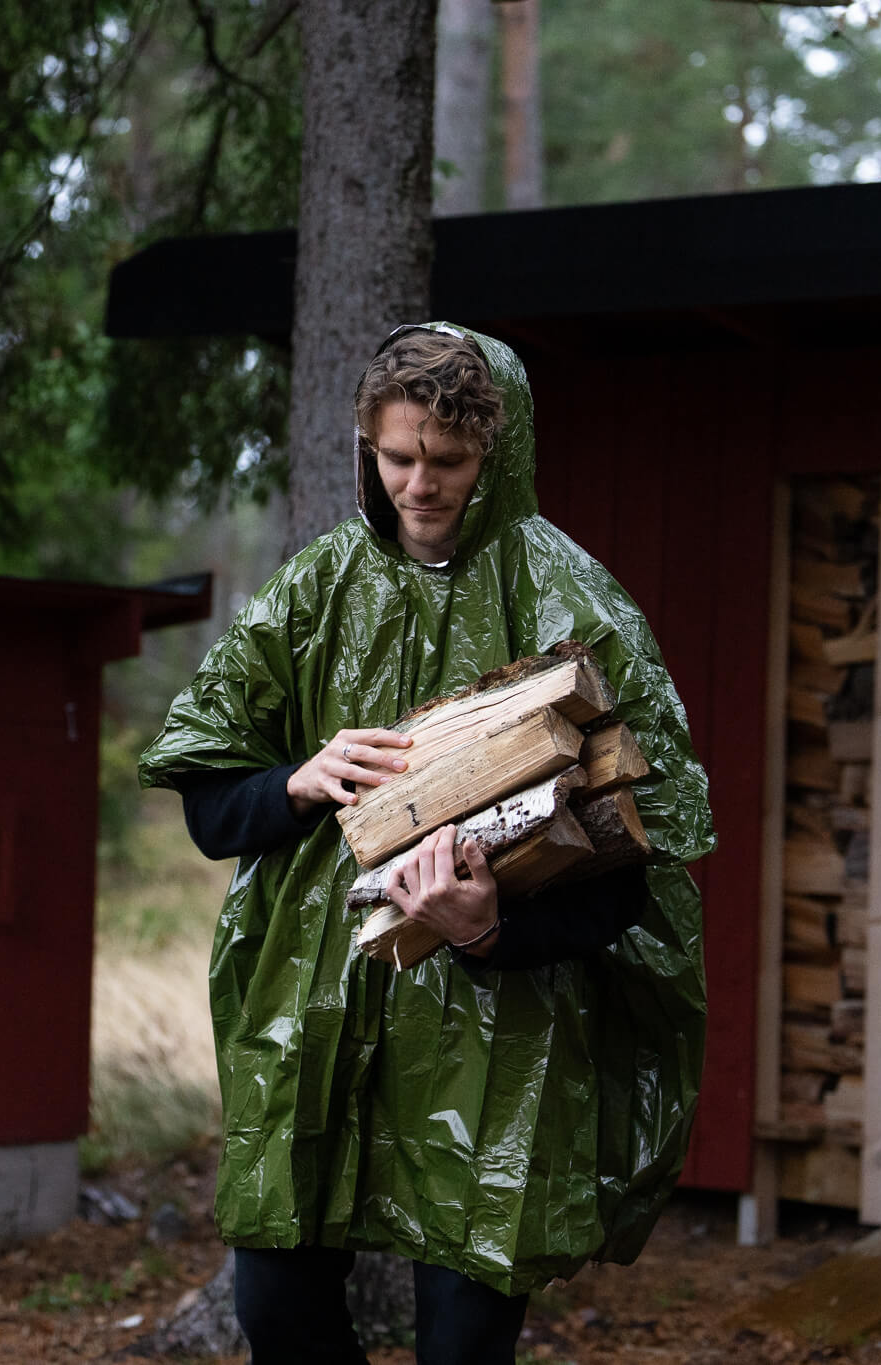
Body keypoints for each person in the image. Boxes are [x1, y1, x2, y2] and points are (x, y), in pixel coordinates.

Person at [138, 324, 714, 1365]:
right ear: (367, 445)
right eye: (396, 456)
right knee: (278, 1312)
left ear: (498, 452)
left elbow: (634, 875)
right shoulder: (315, 590)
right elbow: (210, 807)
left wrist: (491, 931)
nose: (417, 484)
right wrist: (294, 781)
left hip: (500, 1039)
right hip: (315, 1014)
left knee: (463, 1345)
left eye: (446, 460)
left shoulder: (571, 600)